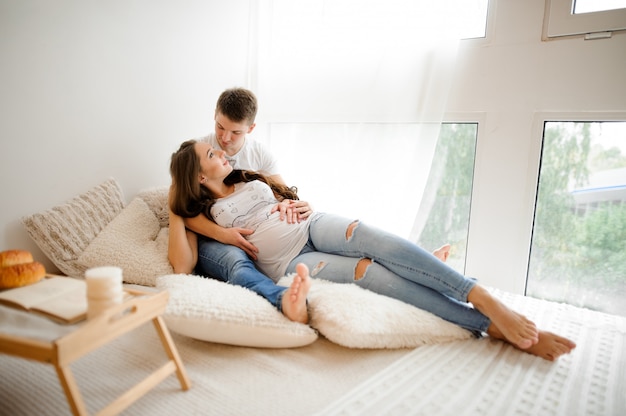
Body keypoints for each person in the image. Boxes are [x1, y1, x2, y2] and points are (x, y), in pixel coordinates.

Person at [168, 139, 577, 361]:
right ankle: (487, 325)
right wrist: (182, 200)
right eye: (211, 154)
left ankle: (479, 294)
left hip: (312, 223)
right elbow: (181, 254)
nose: (222, 151)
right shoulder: (200, 215)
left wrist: (297, 203)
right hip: (293, 259)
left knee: (375, 238)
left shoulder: (249, 177)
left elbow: (290, 194)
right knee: (369, 271)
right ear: (198, 176)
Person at [168, 87, 451, 315]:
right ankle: (284, 300)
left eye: (235, 132)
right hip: (241, 240)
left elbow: (284, 195)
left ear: (250, 129)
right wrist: (224, 235)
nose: (224, 140)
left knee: (359, 243)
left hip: (279, 230)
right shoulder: (199, 153)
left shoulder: (259, 157)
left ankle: (423, 266)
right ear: (215, 116)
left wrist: (299, 205)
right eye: (220, 127)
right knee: (238, 262)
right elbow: (185, 205)